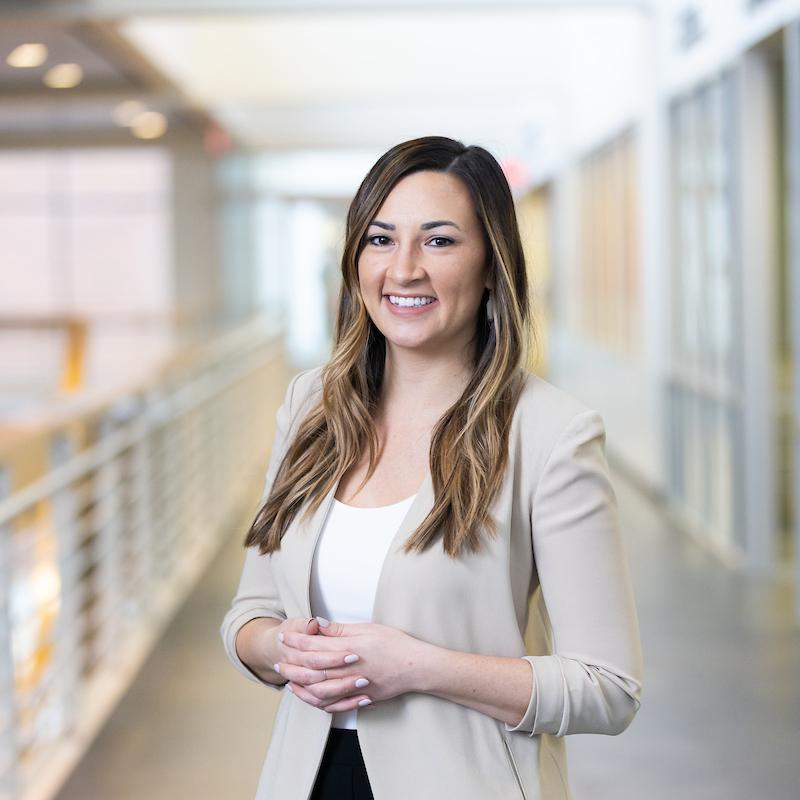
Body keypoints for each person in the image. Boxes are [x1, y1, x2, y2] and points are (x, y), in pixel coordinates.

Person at [220, 135, 643, 800]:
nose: (404, 269)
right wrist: (281, 648)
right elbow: (250, 612)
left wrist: (417, 667)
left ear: (489, 266)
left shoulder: (551, 434)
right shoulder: (312, 406)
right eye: (381, 240)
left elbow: (607, 688)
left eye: (440, 241)